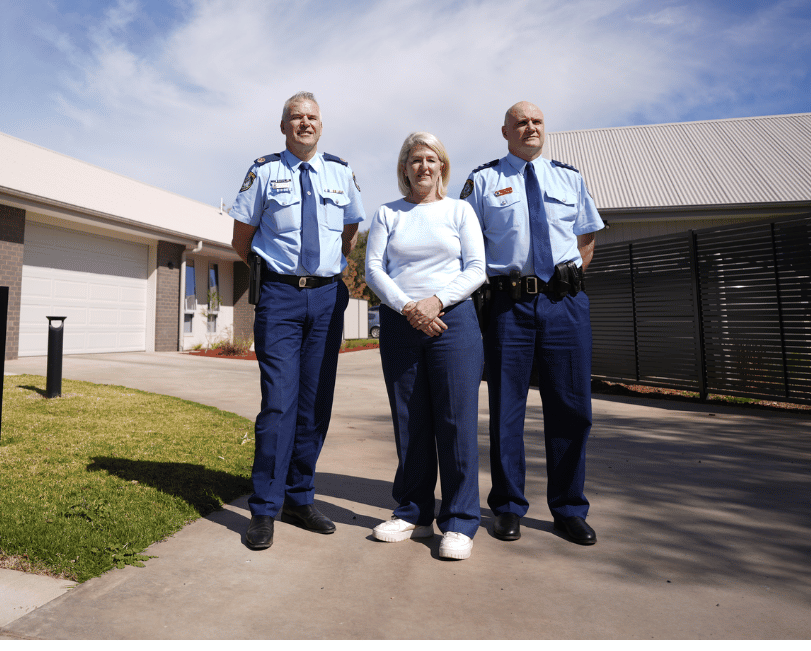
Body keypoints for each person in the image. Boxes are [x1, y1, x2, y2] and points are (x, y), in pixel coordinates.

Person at [461, 101, 604, 545]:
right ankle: (507, 506)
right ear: (505, 131)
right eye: (520, 122)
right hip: (509, 307)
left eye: (536, 121)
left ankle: (568, 508)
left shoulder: (570, 177)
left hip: (565, 306)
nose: (530, 128)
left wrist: (566, 279)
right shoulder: (484, 181)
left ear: (545, 128)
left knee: (572, 409)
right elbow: (466, 243)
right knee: (507, 409)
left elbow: (587, 238)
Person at [230, 91, 365, 550]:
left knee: (314, 404)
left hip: (327, 297)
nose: (304, 124)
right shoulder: (264, 171)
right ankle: (264, 507)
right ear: (283, 125)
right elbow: (241, 238)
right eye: (295, 117)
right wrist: (280, 277)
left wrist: (325, 269)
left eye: (311, 117)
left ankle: (299, 497)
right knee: (279, 404)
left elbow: (350, 230)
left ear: (320, 125)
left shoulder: (341, 172)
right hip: (281, 298)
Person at [365, 132, 486, 560]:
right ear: (404, 168)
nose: (423, 167)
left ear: (442, 166)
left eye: (431, 159)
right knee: (410, 421)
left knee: (456, 423)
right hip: (401, 325)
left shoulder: (459, 210)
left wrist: (436, 302)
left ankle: (459, 522)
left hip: (454, 323)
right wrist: (409, 307)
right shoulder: (387, 214)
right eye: (415, 160)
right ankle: (413, 514)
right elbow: (373, 269)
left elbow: (476, 269)